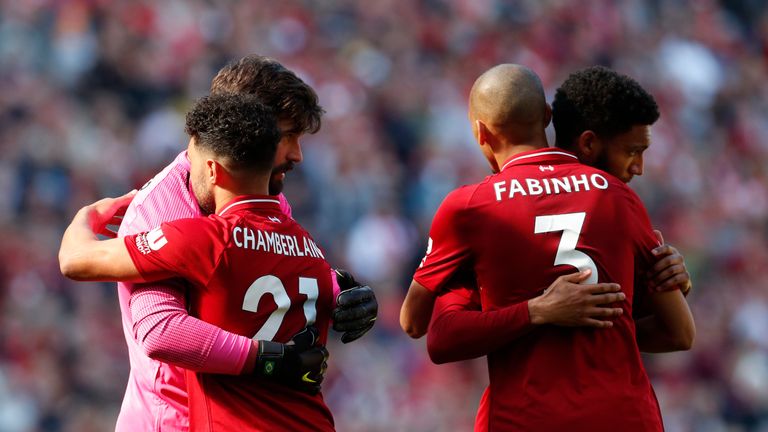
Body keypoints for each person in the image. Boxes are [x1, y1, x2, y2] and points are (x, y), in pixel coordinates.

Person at [400, 64, 694, 431]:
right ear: (546, 117)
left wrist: (534, 313)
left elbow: (420, 326)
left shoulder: (470, 209)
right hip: (624, 416)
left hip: (525, 418)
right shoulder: (617, 195)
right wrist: (606, 324)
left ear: (480, 132)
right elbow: (680, 334)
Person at [95, 55, 376, 431]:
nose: (297, 154)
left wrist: (341, 292)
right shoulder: (164, 211)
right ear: (243, 125)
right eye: (287, 135)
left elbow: (267, 281)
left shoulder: (264, 195)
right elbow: (160, 330)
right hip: (174, 422)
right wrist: (269, 358)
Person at [60, 93, 337, 430]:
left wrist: (85, 217)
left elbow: (77, 262)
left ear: (213, 169)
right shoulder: (311, 249)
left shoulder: (200, 238)